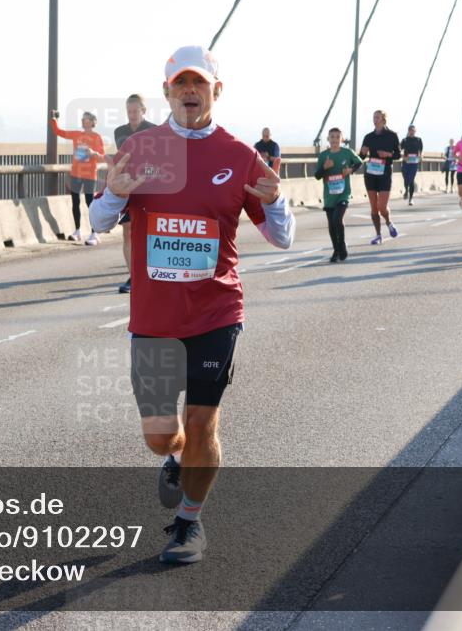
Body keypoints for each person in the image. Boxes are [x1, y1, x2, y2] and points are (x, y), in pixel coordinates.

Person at [89, 45, 295, 564]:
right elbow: (97, 224)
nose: (189, 92)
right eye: (180, 84)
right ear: (166, 92)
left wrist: (277, 203)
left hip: (215, 311)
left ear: (215, 92)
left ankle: (189, 524)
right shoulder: (141, 149)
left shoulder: (238, 154)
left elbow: (281, 238)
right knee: (163, 436)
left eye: (199, 84)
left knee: (204, 423)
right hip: (155, 318)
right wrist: (112, 196)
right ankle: (176, 458)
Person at [113, 94, 157, 293]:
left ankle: (153, 272)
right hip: (127, 188)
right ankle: (134, 277)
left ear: (143, 111)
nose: (132, 115)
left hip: (149, 187)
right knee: (127, 231)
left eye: (135, 111)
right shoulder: (119, 132)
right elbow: (121, 159)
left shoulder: (154, 130)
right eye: (129, 111)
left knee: (149, 234)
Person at [50, 110, 107, 245]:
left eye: (85, 118)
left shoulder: (97, 137)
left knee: (90, 203)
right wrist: (53, 119)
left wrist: (93, 153)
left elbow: (102, 156)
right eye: (82, 118)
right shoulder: (77, 135)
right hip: (76, 173)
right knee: (75, 202)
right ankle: (77, 231)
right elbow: (59, 132)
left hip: (89, 174)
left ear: (92, 122)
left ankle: (94, 233)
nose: (82, 120)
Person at [315, 127, 362, 262]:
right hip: (329, 195)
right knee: (331, 224)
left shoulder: (347, 153)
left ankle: (342, 247)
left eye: (337, 137)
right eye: (332, 137)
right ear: (328, 139)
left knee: (337, 219)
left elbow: (359, 162)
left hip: (343, 193)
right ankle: (336, 250)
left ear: (341, 139)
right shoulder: (324, 156)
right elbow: (317, 175)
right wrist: (325, 167)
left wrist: (351, 170)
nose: (334, 140)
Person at [358, 110, 401, 244]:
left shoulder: (392, 135)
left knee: (382, 206)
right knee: (373, 207)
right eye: (373, 118)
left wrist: (387, 154)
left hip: (385, 173)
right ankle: (378, 235)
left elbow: (398, 155)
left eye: (377, 117)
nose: (375, 120)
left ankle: (389, 222)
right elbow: (361, 157)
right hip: (370, 173)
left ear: (383, 119)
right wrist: (362, 153)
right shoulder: (368, 137)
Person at [400, 125, 424, 205]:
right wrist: (403, 157)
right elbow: (399, 150)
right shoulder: (404, 140)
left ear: (415, 131)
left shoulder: (418, 140)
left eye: (413, 130)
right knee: (406, 179)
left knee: (411, 180)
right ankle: (406, 190)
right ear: (408, 131)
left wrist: (421, 156)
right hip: (406, 162)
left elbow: (421, 150)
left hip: (414, 163)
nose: (411, 131)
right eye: (410, 130)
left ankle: (411, 199)